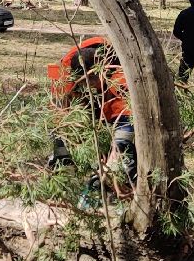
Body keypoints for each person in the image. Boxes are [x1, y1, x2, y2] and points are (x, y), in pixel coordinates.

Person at [48, 36, 136, 187]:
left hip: (115, 100)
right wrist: (66, 143)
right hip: (80, 100)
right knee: (61, 130)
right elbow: (59, 114)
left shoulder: (122, 71)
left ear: (102, 71)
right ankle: (63, 167)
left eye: (92, 81)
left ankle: (119, 170)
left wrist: (116, 156)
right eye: (84, 82)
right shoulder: (64, 72)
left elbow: (126, 117)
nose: (89, 87)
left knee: (120, 139)